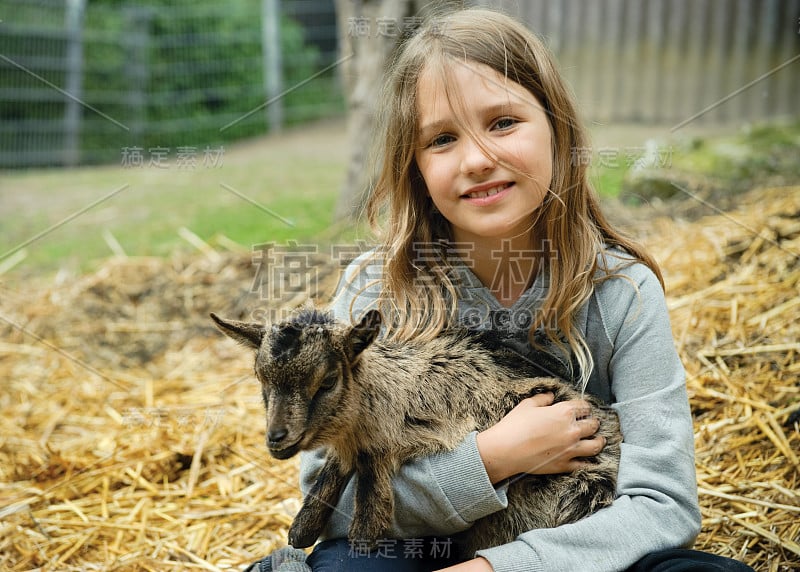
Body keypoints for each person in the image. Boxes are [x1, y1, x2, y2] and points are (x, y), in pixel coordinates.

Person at [246, 7, 755, 572]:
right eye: (441, 139)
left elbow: (663, 506)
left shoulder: (620, 291)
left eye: (503, 123)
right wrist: (491, 459)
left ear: (557, 130)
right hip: (424, 549)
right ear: (412, 165)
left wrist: (497, 568)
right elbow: (330, 507)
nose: (477, 160)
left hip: (573, 548)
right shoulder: (375, 292)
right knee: (353, 564)